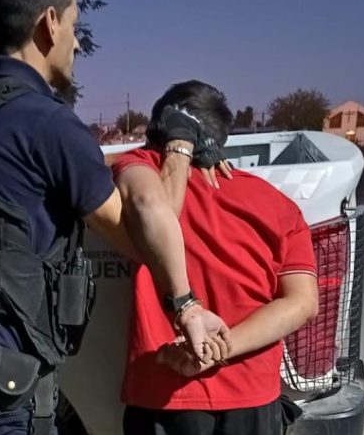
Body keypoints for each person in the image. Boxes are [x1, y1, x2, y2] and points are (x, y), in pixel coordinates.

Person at [0, 0, 229, 435]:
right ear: (48, 24)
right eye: (75, 26)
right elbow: (143, 231)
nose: (78, 45)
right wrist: (180, 143)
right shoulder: (46, 125)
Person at [112, 80, 319, 435]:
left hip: (166, 395)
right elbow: (303, 303)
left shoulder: (140, 170)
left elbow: (154, 212)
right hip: (253, 399)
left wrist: (177, 148)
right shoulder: (276, 203)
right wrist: (221, 348)